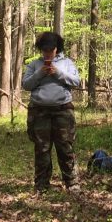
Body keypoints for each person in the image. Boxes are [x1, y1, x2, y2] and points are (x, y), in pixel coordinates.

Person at [22, 31, 81, 193]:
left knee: (65, 147)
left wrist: (58, 73)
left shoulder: (67, 63)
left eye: (51, 49)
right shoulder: (34, 65)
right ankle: (42, 185)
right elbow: (26, 85)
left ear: (57, 48)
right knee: (42, 149)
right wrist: (40, 73)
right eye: (45, 50)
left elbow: (76, 81)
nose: (48, 53)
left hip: (63, 111)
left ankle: (72, 183)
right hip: (39, 112)